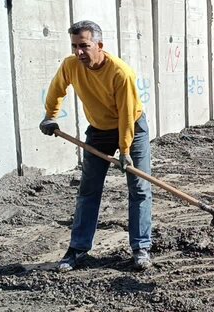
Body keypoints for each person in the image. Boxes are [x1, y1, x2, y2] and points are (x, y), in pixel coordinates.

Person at [39, 20, 153, 272]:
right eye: (74, 46)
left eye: (84, 46)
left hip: (132, 128)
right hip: (99, 130)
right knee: (88, 189)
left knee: (139, 188)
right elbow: (57, 89)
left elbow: (125, 115)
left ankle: (141, 248)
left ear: (99, 45)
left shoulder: (120, 73)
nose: (78, 52)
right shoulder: (71, 65)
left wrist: (125, 151)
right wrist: (51, 115)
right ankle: (78, 249)